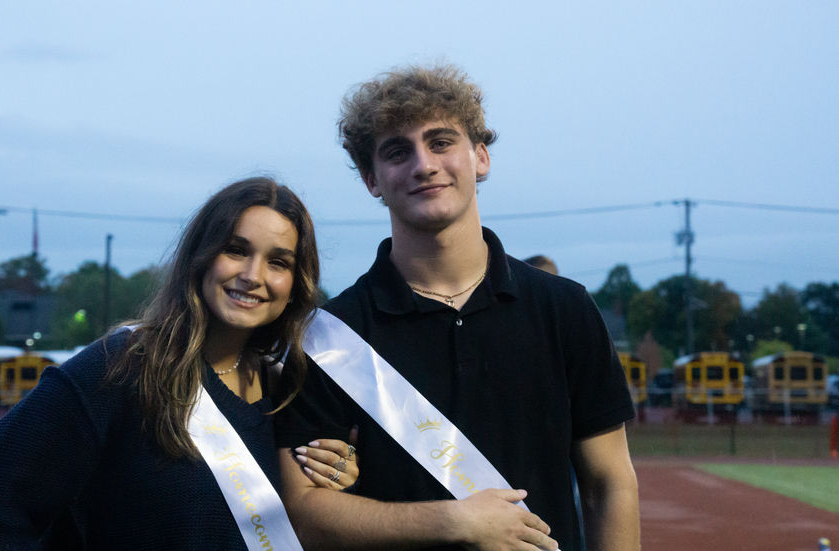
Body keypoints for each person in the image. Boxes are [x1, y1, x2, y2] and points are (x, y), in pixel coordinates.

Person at [274, 65, 640, 550]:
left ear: (481, 157)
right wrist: (456, 521)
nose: (423, 164)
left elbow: (609, 485)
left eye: (441, 142)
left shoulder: (564, 308)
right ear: (372, 179)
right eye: (397, 152)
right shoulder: (329, 336)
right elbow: (304, 512)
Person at [0, 177, 359, 550]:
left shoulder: (291, 386)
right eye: (236, 250)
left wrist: (337, 477)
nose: (253, 274)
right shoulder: (121, 367)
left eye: (278, 262)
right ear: (202, 255)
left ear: (296, 282)